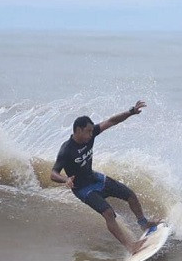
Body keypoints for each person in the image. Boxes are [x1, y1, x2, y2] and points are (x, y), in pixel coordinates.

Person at [51, 100, 157, 253]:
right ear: (78, 130)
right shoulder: (66, 150)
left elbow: (112, 121)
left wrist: (131, 111)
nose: (90, 134)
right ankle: (130, 246)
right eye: (87, 131)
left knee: (130, 195)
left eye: (91, 131)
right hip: (83, 188)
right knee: (108, 213)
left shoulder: (91, 133)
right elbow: (53, 173)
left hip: (95, 178)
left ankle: (144, 223)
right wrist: (65, 180)